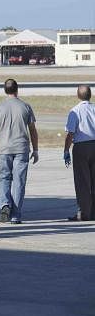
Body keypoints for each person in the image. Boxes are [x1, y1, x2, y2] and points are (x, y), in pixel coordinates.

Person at [0, 79, 39, 224]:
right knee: (19, 182)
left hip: (4, 149)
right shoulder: (25, 106)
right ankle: (15, 215)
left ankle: (4, 205)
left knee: (4, 178)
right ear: (17, 89)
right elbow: (33, 130)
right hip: (21, 149)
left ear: (5, 90)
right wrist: (35, 150)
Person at [63, 85, 95, 221]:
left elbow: (70, 133)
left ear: (78, 95)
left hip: (81, 147)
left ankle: (84, 212)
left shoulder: (74, 111)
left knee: (82, 182)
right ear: (90, 95)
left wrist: (66, 150)